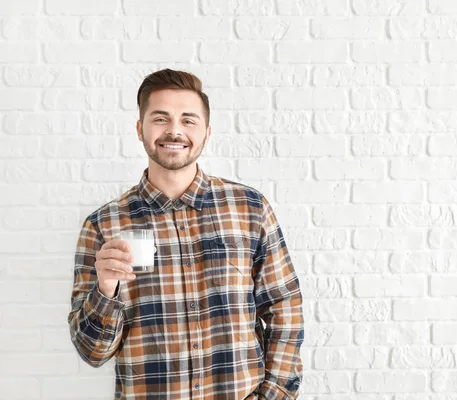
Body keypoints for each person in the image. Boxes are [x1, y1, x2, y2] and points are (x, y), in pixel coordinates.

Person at [68, 69, 304, 400]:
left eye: (188, 120)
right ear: (140, 129)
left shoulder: (250, 209)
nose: (174, 130)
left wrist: (273, 394)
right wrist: (105, 290)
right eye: (160, 119)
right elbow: (92, 352)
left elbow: (285, 309)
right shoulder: (104, 225)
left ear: (206, 132)